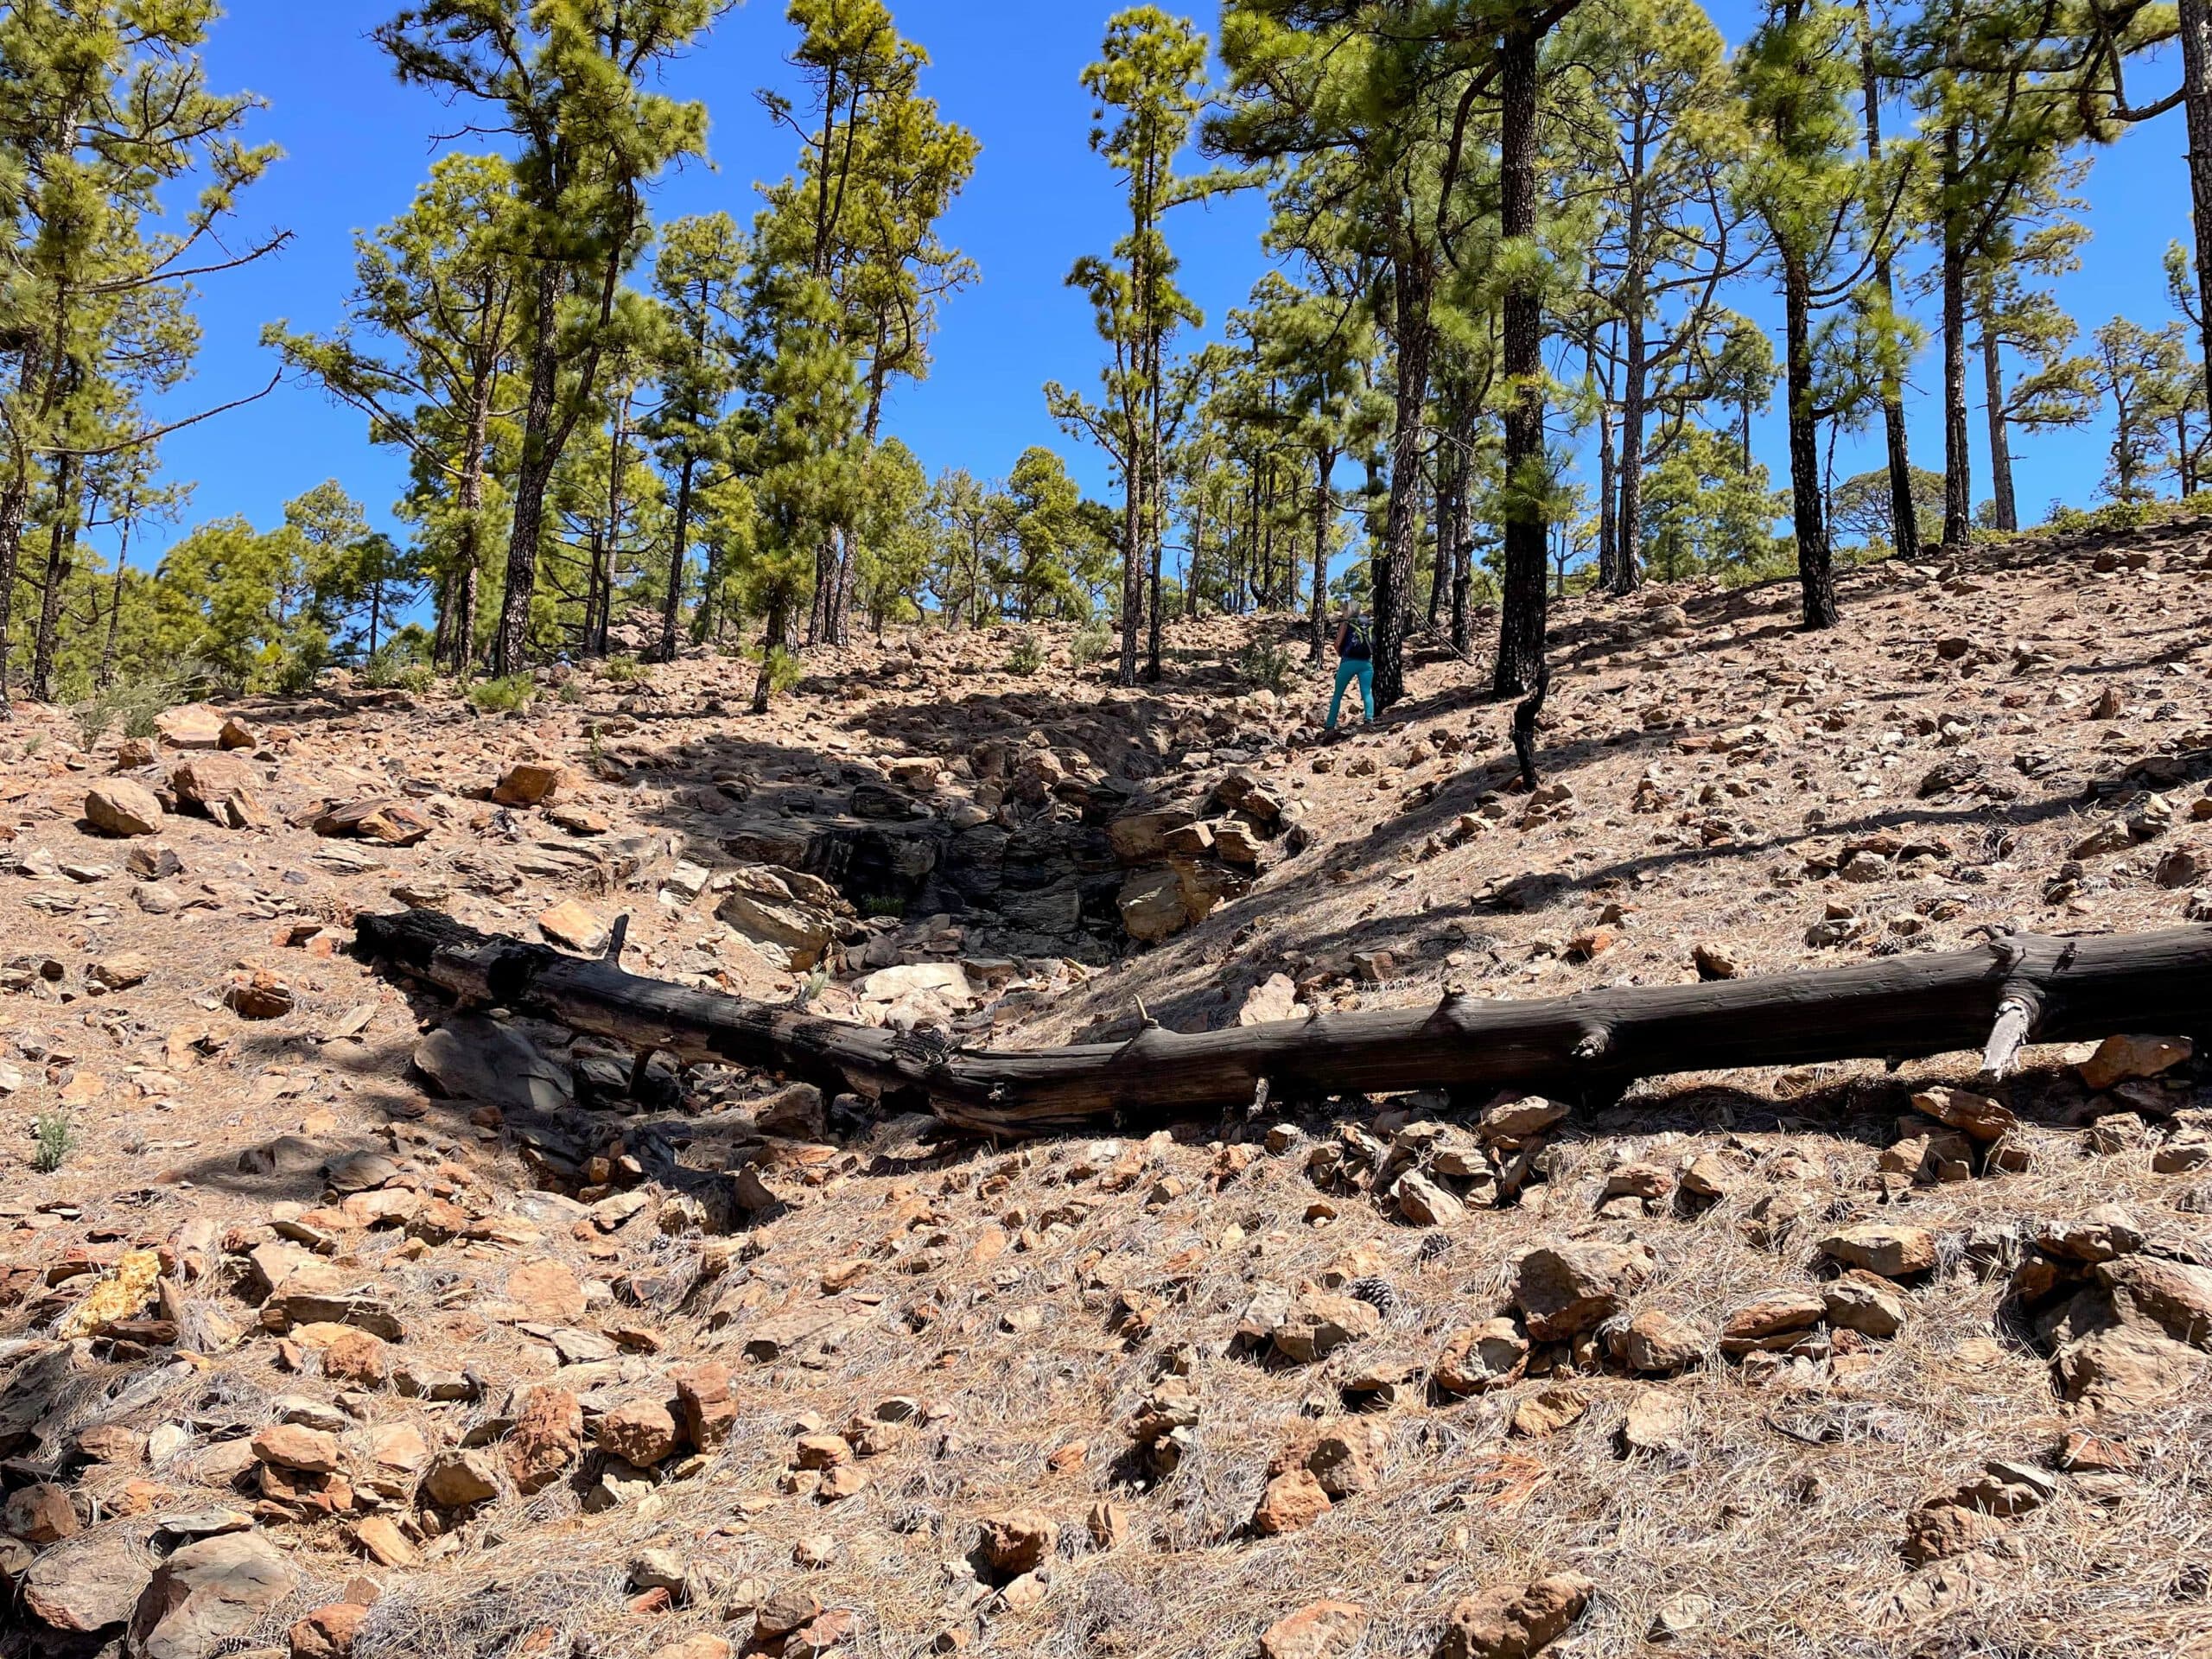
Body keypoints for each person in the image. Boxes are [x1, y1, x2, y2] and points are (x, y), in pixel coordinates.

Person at [1326, 611, 1375, 733]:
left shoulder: (1346, 622)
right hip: (1366, 663)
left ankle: (1330, 724)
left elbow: (1337, 644)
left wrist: (1342, 654)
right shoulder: (1368, 624)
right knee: (1367, 693)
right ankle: (1369, 719)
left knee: (1338, 695)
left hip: (1348, 662)